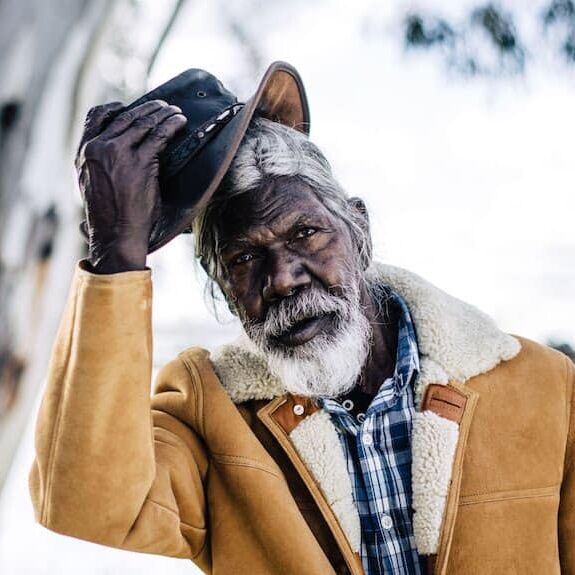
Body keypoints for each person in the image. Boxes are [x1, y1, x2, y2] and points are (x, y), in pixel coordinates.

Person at [30, 62, 575, 575]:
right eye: (243, 259)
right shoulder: (208, 413)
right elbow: (83, 502)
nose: (284, 276)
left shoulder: (544, 387)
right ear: (222, 290)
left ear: (359, 231)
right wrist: (117, 252)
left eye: (305, 233)